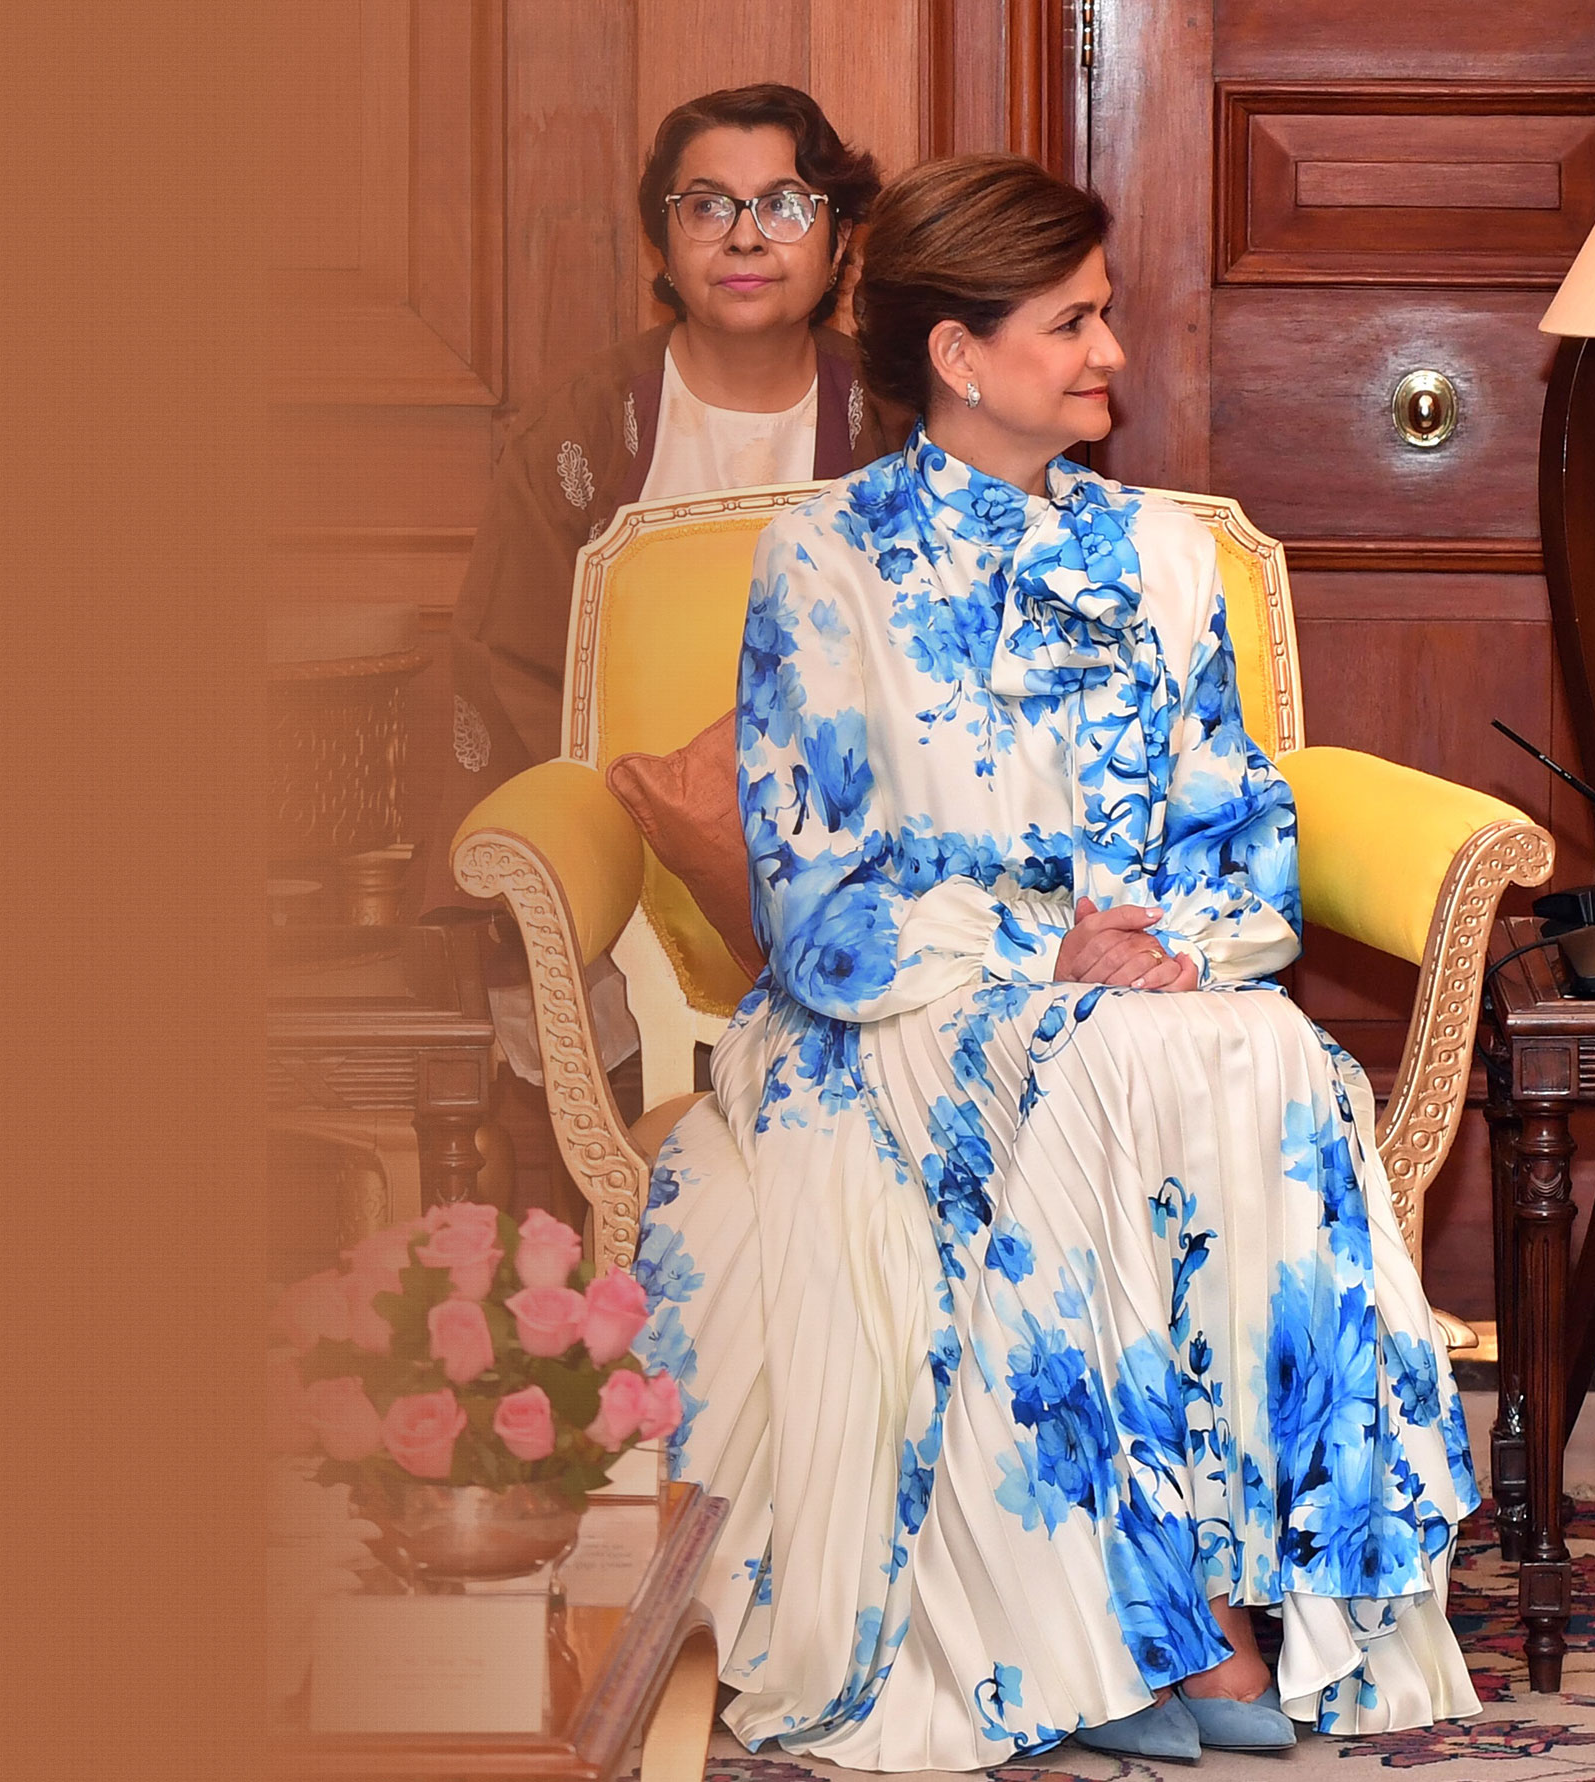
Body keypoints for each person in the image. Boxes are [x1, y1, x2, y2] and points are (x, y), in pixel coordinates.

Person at [628, 153, 1483, 1771]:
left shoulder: (1165, 555)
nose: (1109, 355)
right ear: (959, 355)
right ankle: (1144, 1631)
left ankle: (1245, 1595)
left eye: (1105, 317)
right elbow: (819, 898)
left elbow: (1238, 829)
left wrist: (1162, 949)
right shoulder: (828, 564)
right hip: (892, 1015)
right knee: (1108, 1070)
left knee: (1268, 1056)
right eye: (1072, 322)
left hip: (1148, 996)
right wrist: (1044, 945)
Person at [416, 83, 888, 916]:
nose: (745, 237)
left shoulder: (896, 422)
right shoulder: (582, 425)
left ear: (841, 238)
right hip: (620, 850)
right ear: (662, 245)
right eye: (707, 208)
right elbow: (512, 662)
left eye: (785, 206)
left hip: (858, 854)